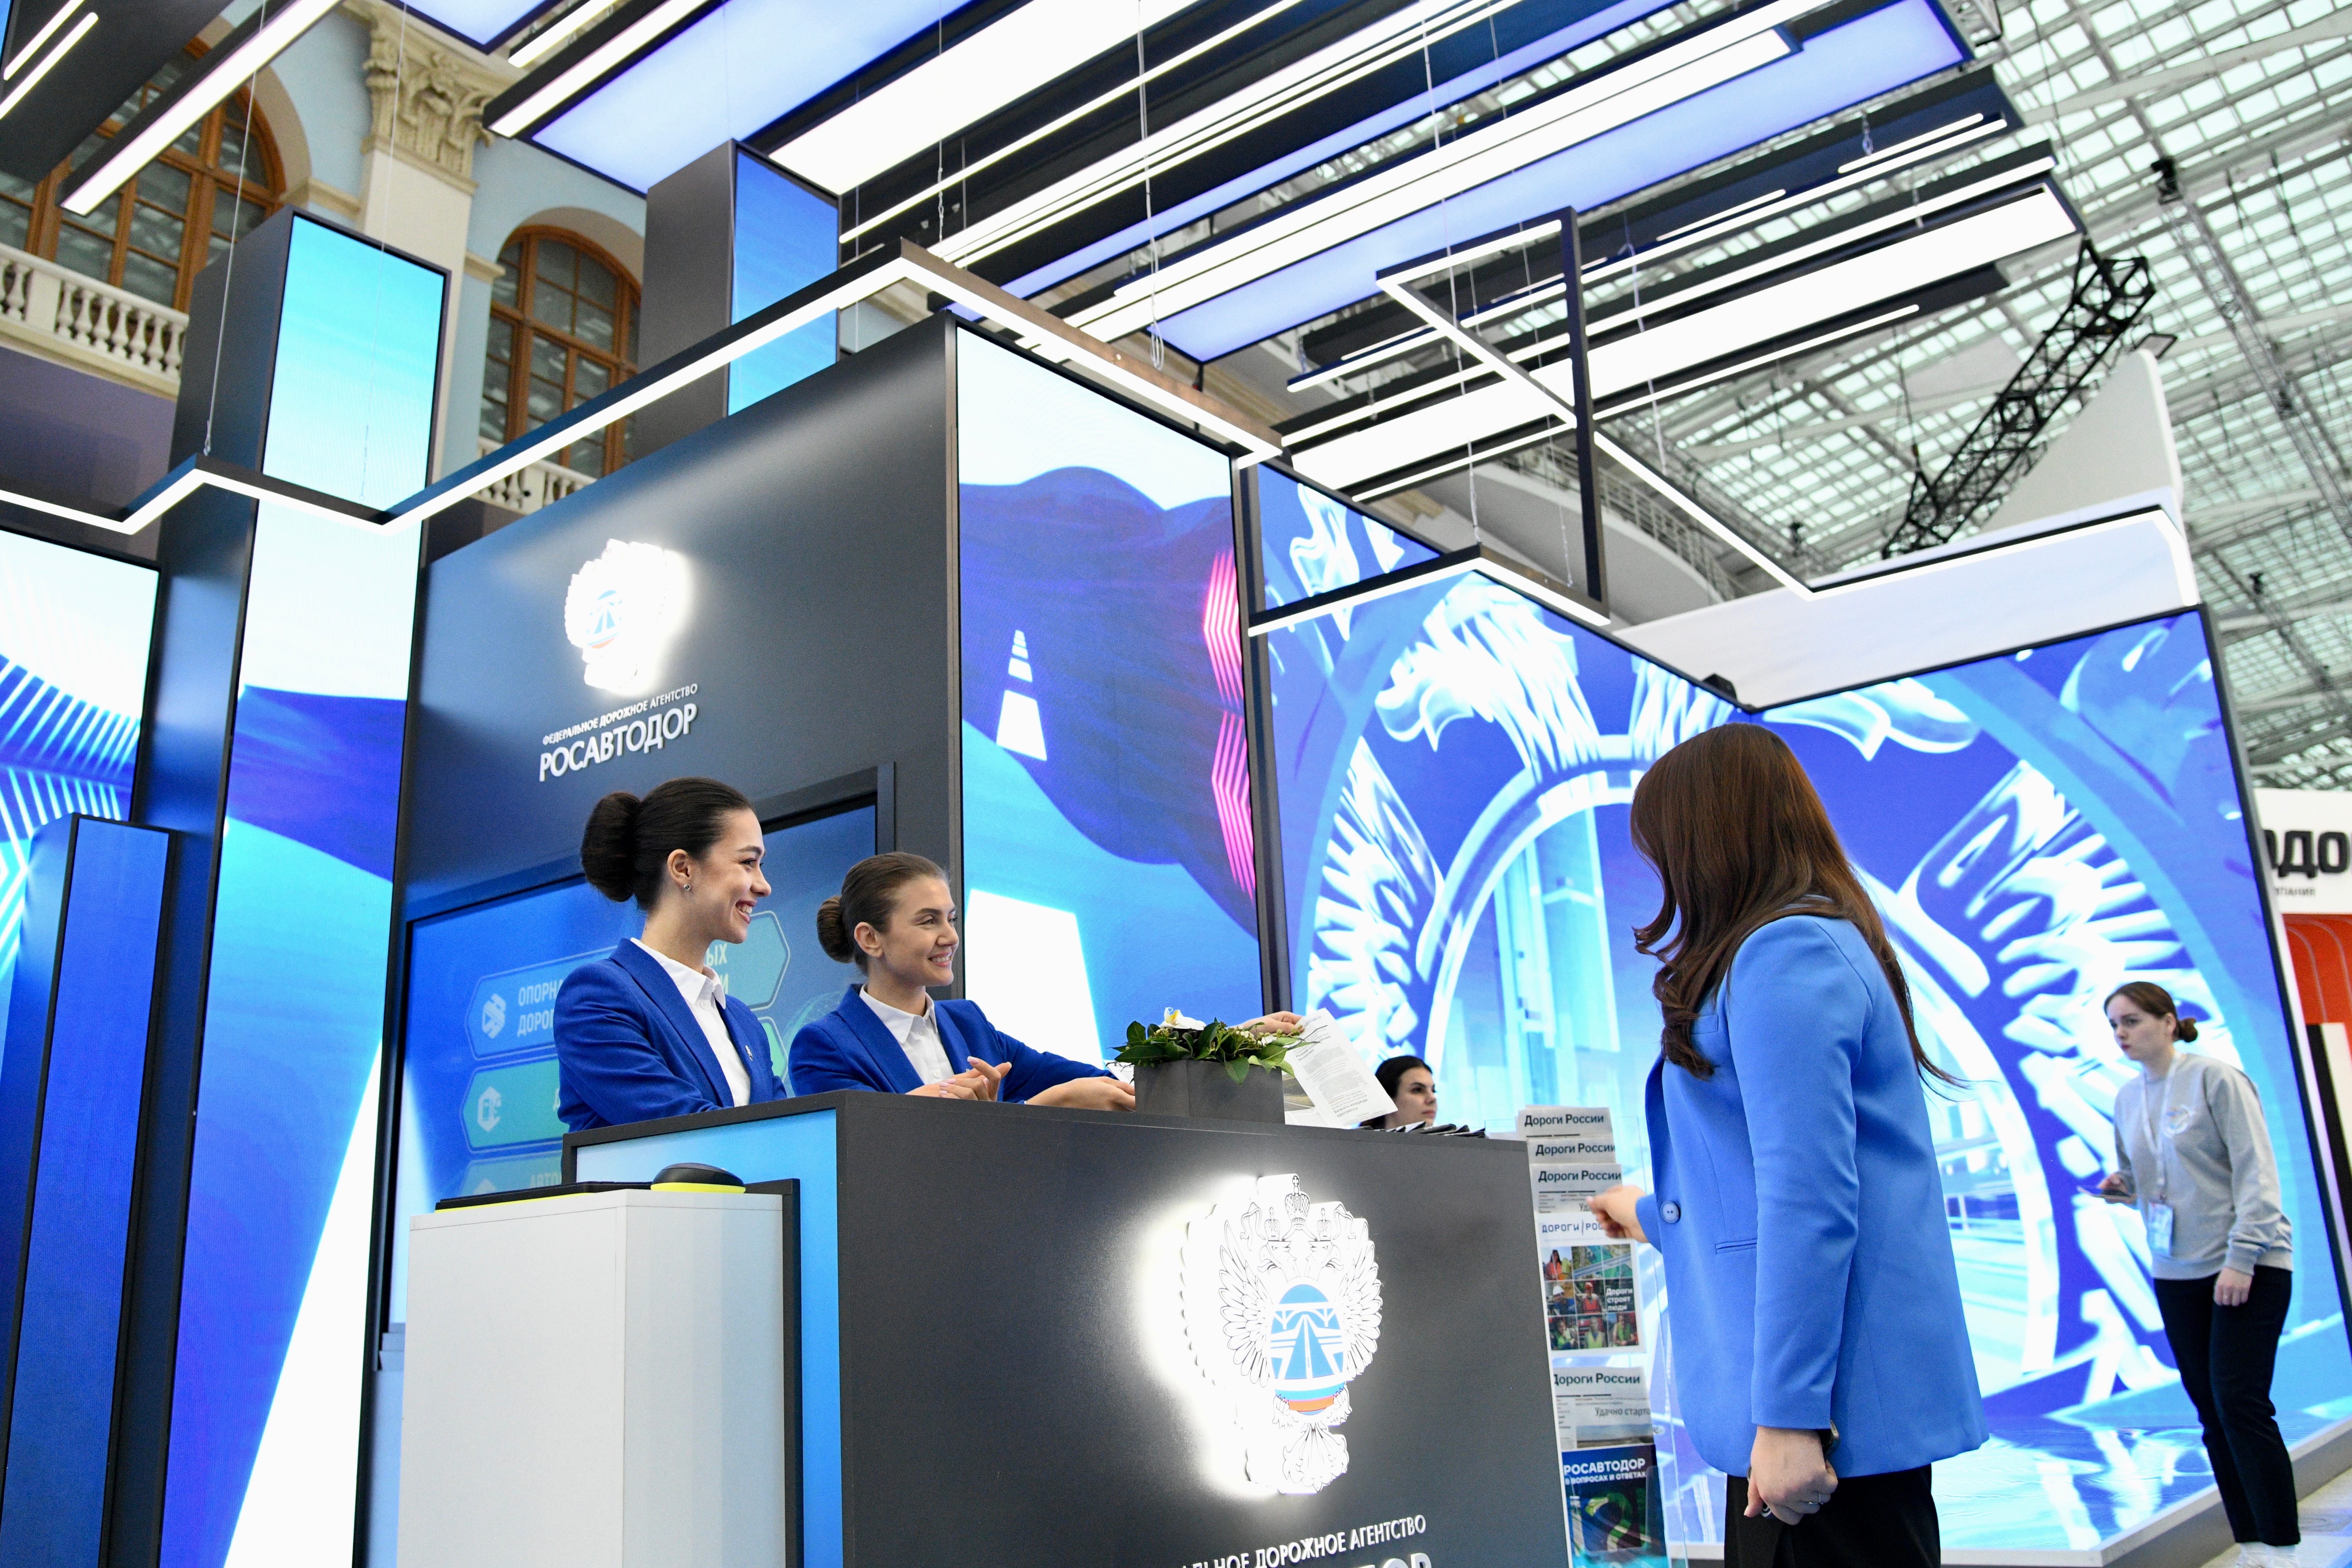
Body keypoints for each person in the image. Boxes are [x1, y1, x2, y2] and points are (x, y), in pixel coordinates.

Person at [1587, 724, 1985, 1568]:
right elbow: (1756, 1185)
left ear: (1707, 837)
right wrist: (1648, 1212)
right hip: (1809, 1411)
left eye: (1663, 846)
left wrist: (1790, 1414)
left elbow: (1809, 1197)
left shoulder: (1782, 950)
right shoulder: (1803, 943)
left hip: (1822, 1419)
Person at [2097, 981, 2299, 1566]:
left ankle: (2283, 1546)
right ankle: (2252, 1544)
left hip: (2247, 1264)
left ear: (2168, 1022)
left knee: (2240, 1402)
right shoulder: (2126, 1098)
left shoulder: (2216, 1079)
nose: (2121, 1034)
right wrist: (2122, 1188)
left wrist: (2241, 1259)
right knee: (2211, 1410)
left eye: (2132, 1021)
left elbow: (2257, 1174)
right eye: (2114, 1025)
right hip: (2176, 1270)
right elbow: (2143, 1179)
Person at [785, 853, 1139, 1107]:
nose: (951, 937)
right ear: (870, 939)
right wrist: (1052, 1103)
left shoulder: (969, 1023)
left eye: (951, 919)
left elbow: (1094, 1082)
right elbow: (876, 1147)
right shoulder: (824, 1046)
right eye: (928, 921)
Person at [555, 778, 786, 1131]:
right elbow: (679, 1128)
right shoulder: (598, 997)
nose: (764, 886)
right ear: (682, 868)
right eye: (747, 862)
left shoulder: (744, 1023)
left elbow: (792, 1130)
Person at [1360, 1054, 1437, 1128]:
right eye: (1418, 1090)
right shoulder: (1356, 1138)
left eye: (1433, 1091)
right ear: (1387, 1098)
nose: (1433, 1099)